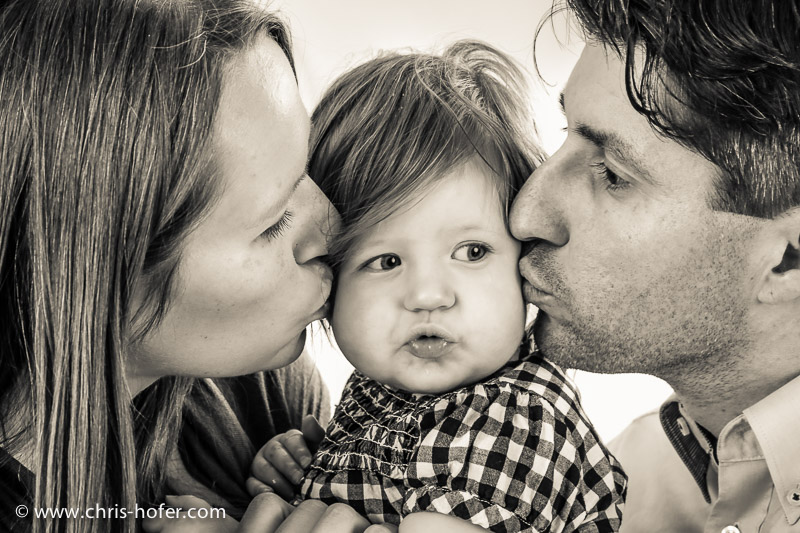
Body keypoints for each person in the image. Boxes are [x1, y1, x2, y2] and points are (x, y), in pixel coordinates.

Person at [0, 1, 392, 532]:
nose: (334, 224)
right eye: (273, 221)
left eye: (308, 166)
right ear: (100, 273)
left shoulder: (268, 398)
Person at [247, 41, 626, 533]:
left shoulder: (519, 416)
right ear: (328, 281)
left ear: (524, 259)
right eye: (385, 261)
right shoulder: (375, 397)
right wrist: (302, 474)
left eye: (472, 252)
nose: (428, 295)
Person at [510, 0, 800, 531]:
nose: (526, 214)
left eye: (614, 175)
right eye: (565, 132)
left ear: (788, 261)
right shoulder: (593, 490)